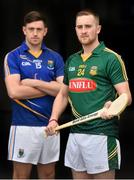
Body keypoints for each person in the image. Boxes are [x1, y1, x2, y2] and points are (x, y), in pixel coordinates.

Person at [45, 9, 132, 179]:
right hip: (75, 134)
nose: (83, 31)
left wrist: (113, 107)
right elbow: (63, 95)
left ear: (98, 29)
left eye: (88, 26)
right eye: (79, 27)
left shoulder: (111, 58)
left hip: (101, 135)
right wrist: (54, 118)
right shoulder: (72, 60)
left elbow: (126, 96)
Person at [4, 11, 64, 179]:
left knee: (48, 174)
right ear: (24, 30)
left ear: (45, 31)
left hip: (50, 125)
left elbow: (65, 90)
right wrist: (51, 86)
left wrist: (35, 83)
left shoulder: (55, 57)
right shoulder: (13, 56)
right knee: (21, 176)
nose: (35, 33)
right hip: (23, 126)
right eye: (31, 29)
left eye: (39, 29)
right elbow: (14, 92)